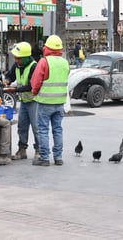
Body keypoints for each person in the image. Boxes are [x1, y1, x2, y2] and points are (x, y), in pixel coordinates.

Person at [30, 35, 70, 166]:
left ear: (46, 48)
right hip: (60, 103)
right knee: (58, 129)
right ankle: (58, 157)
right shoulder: (65, 62)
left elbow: (36, 81)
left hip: (45, 102)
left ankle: (45, 158)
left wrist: (34, 93)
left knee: (43, 130)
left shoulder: (44, 61)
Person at [4, 42, 39, 160]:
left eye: (18, 58)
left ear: (25, 58)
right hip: (24, 101)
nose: (16, 60)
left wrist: (15, 89)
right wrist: (7, 80)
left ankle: (38, 150)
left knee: (36, 127)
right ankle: (22, 150)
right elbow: (10, 75)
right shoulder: (17, 66)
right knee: (22, 126)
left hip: (34, 101)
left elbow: (31, 86)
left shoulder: (34, 67)